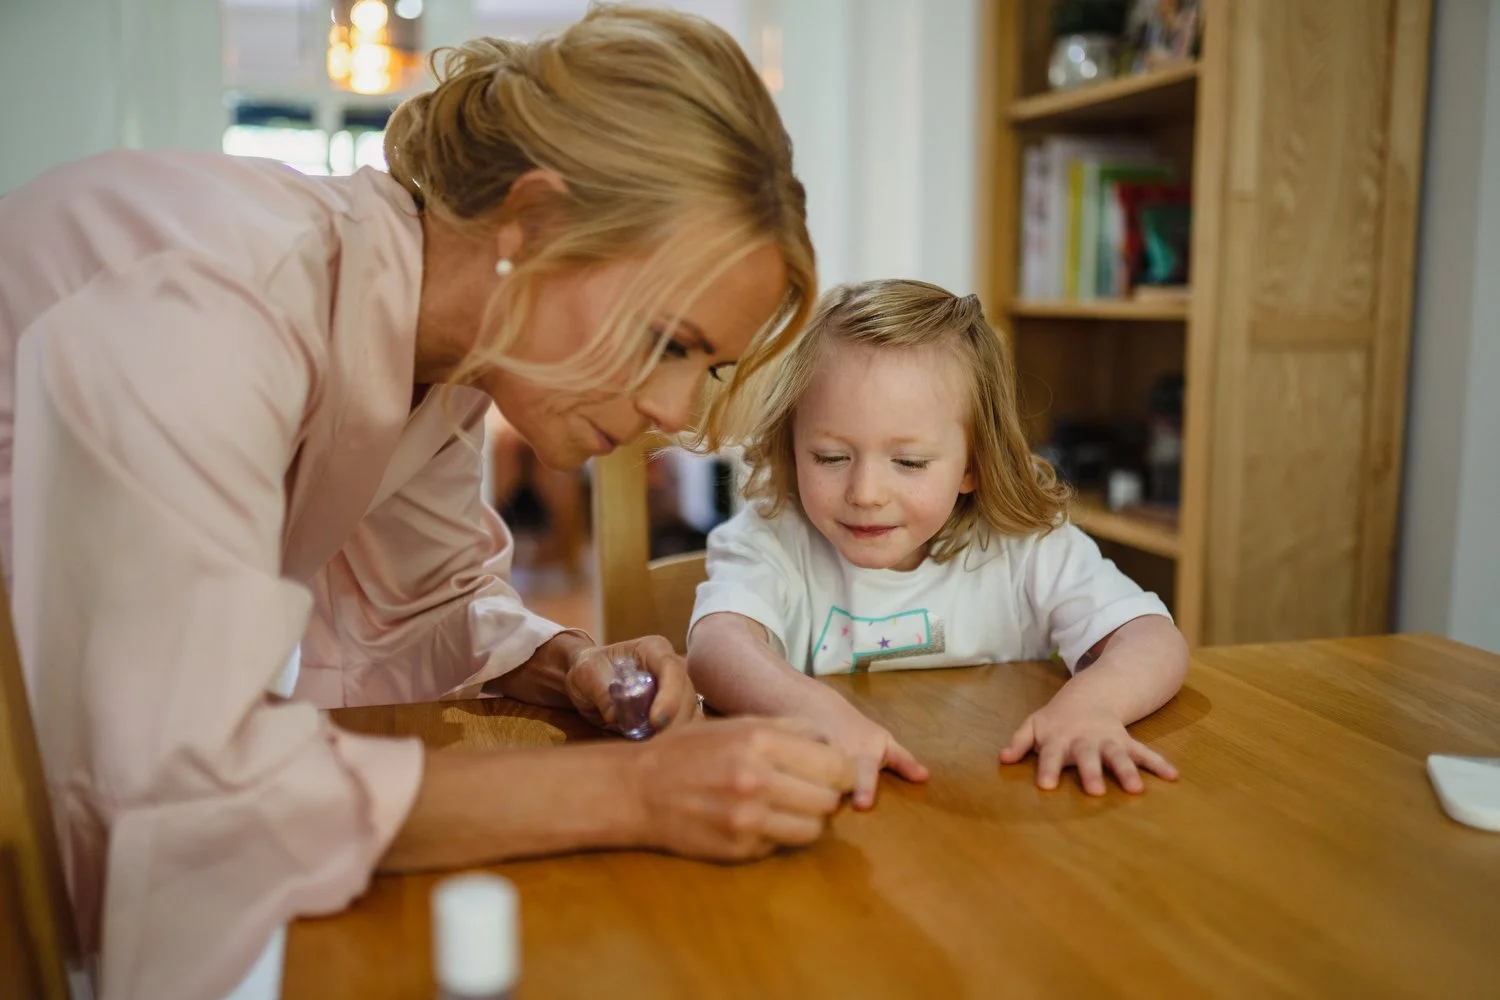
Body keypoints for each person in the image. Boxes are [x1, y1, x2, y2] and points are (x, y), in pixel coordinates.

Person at [0, 9, 858, 999]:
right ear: (532, 225)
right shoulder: (211, 312)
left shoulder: (445, 360)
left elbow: (425, 605)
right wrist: (639, 788)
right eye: (667, 339)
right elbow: (188, 785)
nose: (675, 408)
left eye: (708, 366)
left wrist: (568, 662)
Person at [687, 279, 1188, 809]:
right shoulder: (774, 537)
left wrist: (1094, 706)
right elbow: (718, 646)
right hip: (839, 805)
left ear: (973, 462)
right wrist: (814, 709)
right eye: (831, 457)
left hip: (989, 809)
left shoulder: (1026, 546)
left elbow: (1153, 639)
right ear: (793, 444)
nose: (865, 494)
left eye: (909, 463)